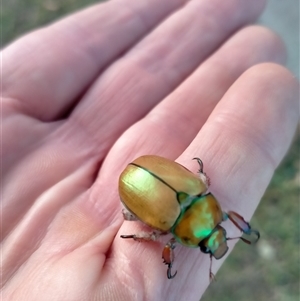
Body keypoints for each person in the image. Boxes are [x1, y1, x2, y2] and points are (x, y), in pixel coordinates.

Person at [1, 0, 298, 300]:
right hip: (142, 182)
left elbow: (172, 237)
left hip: (149, 182)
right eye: (220, 230)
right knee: (156, 234)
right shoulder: (184, 219)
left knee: (156, 231)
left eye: (211, 240)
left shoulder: (199, 191)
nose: (217, 239)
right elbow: (168, 243)